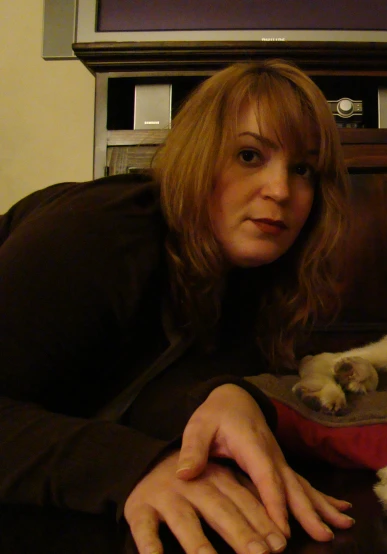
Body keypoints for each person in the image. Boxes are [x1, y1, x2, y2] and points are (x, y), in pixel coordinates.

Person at [0, 60, 355, 554]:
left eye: (303, 170)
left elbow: (147, 395)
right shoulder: (99, 231)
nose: (281, 190)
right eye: (250, 155)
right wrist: (137, 467)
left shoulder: (258, 281)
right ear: (199, 157)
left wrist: (229, 395)